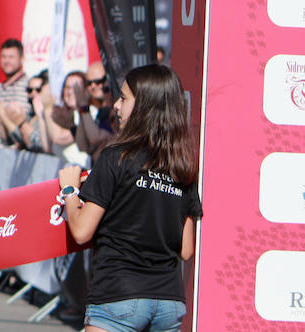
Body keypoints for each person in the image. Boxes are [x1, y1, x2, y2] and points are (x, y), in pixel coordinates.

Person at [58, 64, 202, 332]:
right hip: (168, 302)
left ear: (145, 106)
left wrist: (69, 190)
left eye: (124, 98)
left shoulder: (116, 158)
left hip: (118, 295)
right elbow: (186, 249)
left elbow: (80, 231)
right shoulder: (183, 166)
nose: (115, 106)